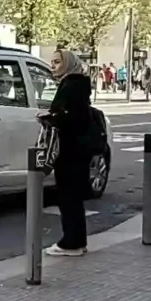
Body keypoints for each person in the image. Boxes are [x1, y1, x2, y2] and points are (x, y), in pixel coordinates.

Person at [44, 48, 96, 257]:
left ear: (67, 64)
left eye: (57, 62)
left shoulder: (70, 85)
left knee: (68, 196)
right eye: (53, 62)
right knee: (73, 196)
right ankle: (78, 241)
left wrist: (49, 118)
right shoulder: (78, 84)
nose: (53, 66)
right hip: (78, 148)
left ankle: (71, 243)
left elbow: (68, 117)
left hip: (71, 149)